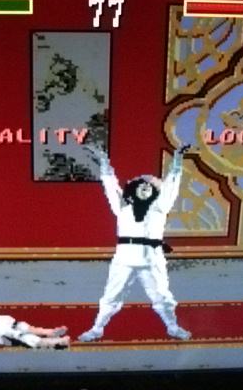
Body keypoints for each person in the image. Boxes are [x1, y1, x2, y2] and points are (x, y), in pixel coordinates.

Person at [79, 144, 191, 342]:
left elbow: (172, 185)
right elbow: (110, 186)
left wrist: (177, 160)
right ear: (134, 190)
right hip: (124, 259)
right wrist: (104, 162)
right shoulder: (122, 208)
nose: (145, 187)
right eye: (141, 185)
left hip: (152, 259)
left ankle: (173, 328)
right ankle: (96, 329)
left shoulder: (160, 208)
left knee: (162, 297)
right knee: (111, 296)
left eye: (149, 186)